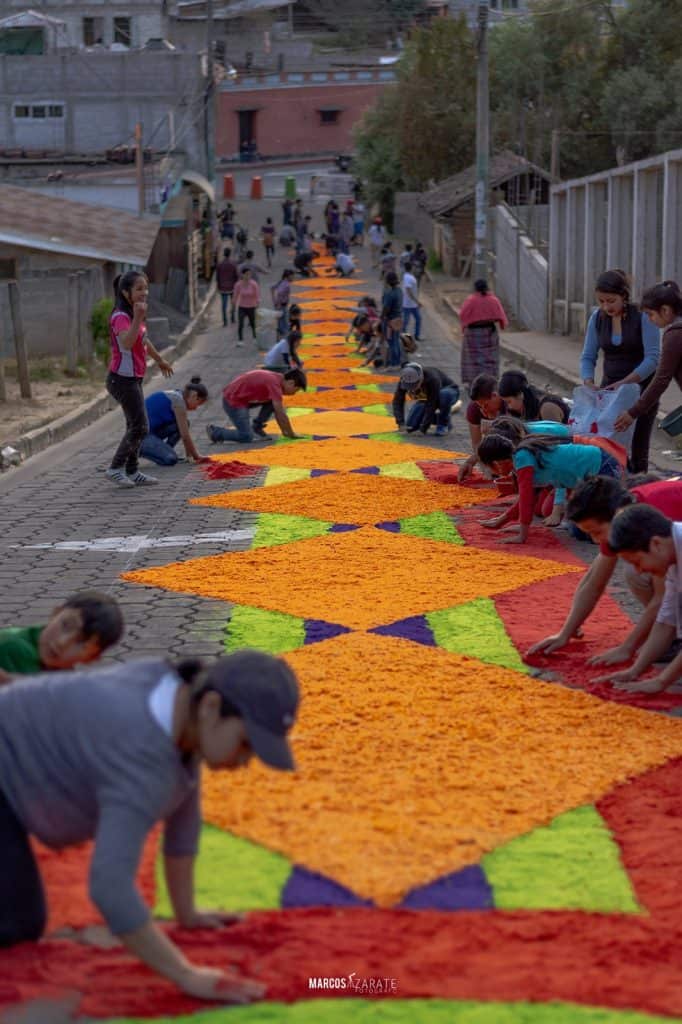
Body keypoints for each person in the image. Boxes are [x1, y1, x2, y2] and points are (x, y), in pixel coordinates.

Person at [0, 649, 298, 1004]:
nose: (246, 762)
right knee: (16, 924)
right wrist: (186, 975)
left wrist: (187, 913)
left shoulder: (176, 697)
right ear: (211, 707)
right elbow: (110, 888)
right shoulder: (141, 751)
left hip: (13, 775)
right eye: (246, 744)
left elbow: (183, 819)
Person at [529, 475, 682, 662]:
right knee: (636, 571)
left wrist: (627, 648)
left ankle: (671, 635)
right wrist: (565, 633)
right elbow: (594, 582)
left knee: (640, 572)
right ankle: (670, 636)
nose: (595, 540)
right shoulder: (619, 518)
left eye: (597, 532)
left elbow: (662, 596)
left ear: (615, 515)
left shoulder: (648, 517)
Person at [580, 269, 660, 472]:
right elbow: (588, 356)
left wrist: (626, 382)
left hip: (642, 390)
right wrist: (588, 381)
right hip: (610, 392)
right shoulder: (597, 319)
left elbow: (653, 358)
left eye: (611, 301)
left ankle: (640, 493)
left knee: (638, 447)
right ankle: (614, 492)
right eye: (601, 301)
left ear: (624, 296)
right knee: (609, 446)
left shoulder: (643, 316)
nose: (606, 306)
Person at [476, 433, 622, 545]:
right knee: (578, 530)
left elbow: (527, 498)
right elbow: (528, 497)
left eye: (490, 467)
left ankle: (625, 521)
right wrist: (502, 521)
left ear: (498, 462)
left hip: (601, 465)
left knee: (592, 533)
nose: (492, 472)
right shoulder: (520, 460)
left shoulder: (522, 459)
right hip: (591, 474)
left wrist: (522, 534)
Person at [603, 505, 682, 693]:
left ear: (656, 544)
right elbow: (666, 620)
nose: (639, 570)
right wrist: (635, 670)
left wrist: (661, 681)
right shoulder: (672, 555)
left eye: (637, 562)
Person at [105, 272, 173, 489]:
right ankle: (116, 468)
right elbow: (126, 342)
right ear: (126, 293)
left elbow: (143, 340)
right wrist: (137, 318)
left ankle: (133, 471)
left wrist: (160, 360)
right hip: (121, 380)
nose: (144, 293)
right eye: (139, 289)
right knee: (141, 427)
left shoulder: (133, 314)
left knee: (133, 424)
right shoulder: (120, 317)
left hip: (133, 378)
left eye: (146, 288)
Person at [0, 591, 123, 682]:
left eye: (80, 643)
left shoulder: (60, 667)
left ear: (92, 658)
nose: (62, 642)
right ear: (55, 613)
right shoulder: (16, 648)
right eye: (65, 625)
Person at [615, 280, 682, 435]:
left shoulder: (675, 334)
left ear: (665, 310)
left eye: (650, 314)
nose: (650, 320)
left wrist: (633, 412)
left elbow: (662, 379)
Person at [206, 367, 307, 443]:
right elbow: (280, 413)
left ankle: (256, 427)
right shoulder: (274, 383)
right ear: (291, 383)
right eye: (296, 390)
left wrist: (285, 431)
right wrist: (291, 433)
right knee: (245, 436)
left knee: (273, 402)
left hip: (244, 399)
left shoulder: (278, 379)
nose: (294, 394)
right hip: (233, 401)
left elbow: (278, 411)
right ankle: (215, 432)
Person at [140, 377, 209, 467]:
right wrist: (197, 456)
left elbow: (183, 430)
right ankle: (138, 451)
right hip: (140, 437)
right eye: (198, 403)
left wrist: (189, 456)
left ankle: (163, 451)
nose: (196, 408)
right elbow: (185, 436)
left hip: (151, 431)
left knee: (184, 424)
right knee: (171, 459)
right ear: (194, 396)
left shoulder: (178, 395)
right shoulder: (178, 402)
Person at [459, 279, 508, 388]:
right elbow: (501, 315)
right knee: (490, 358)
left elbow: (462, 314)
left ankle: (474, 381)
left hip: (472, 333)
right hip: (489, 332)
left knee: (472, 359)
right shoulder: (493, 300)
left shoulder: (471, 300)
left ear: (475, 288)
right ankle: (491, 380)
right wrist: (501, 324)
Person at [458, 373, 507, 481]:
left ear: (495, 396)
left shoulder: (508, 403)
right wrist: (485, 465)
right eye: (479, 406)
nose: (483, 410)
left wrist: (495, 426)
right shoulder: (474, 409)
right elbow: (477, 444)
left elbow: (516, 439)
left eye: (485, 405)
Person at [393, 363, 459, 437]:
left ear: (421, 379)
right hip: (426, 398)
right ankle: (440, 418)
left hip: (449, 392)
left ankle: (443, 423)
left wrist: (423, 429)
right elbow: (397, 401)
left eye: (414, 385)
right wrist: (401, 423)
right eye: (409, 386)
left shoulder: (433, 379)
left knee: (444, 395)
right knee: (411, 426)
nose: (412, 389)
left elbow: (431, 404)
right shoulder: (404, 379)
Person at [498, 369, 570, 424]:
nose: (507, 406)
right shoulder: (519, 410)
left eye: (509, 402)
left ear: (520, 394)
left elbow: (556, 439)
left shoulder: (547, 408)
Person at [233, 268, 260, 347]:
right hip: (242, 306)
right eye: (247, 274)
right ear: (242, 275)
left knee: (253, 323)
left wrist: (257, 304)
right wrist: (233, 305)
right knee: (241, 323)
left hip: (252, 306)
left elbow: (257, 295)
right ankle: (240, 340)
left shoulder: (254, 284)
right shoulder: (238, 284)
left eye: (249, 274)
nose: (248, 276)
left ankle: (255, 338)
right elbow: (235, 295)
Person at [381, 271, 403, 369]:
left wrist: (381, 317)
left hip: (390, 321)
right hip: (398, 319)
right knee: (396, 341)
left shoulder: (390, 294)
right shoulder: (399, 291)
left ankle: (394, 363)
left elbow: (386, 309)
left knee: (391, 342)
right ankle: (398, 361)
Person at [216, 248, 239, 327]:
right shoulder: (233, 264)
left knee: (224, 305)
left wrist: (218, 286)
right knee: (233, 303)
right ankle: (232, 318)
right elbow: (236, 276)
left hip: (222, 288)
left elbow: (217, 277)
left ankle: (225, 321)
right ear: (230, 254)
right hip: (232, 287)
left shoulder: (220, 264)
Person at [401, 261, 422, 342]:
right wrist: (417, 301)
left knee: (417, 319)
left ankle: (416, 335)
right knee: (406, 321)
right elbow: (408, 290)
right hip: (408, 304)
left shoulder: (407, 276)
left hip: (410, 304)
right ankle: (404, 337)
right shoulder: (409, 278)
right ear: (412, 268)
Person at [271, 269, 294, 337]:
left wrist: (274, 300)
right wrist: (278, 303)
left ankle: (281, 336)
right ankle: (285, 336)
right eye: (292, 276)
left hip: (279, 305)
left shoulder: (281, 282)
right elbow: (280, 293)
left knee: (280, 321)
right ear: (288, 276)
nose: (293, 278)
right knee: (283, 322)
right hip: (281, 305)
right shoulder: (286, 285)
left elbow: (272, 288)